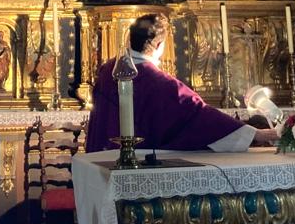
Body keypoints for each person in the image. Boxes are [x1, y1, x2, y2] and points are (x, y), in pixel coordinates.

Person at [86, 15, 279, 152]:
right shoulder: (160, 83)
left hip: (102, 158)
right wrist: (259, 135)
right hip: (138, 167)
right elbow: (200, 116)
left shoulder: (107, 70)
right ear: (159, 45)